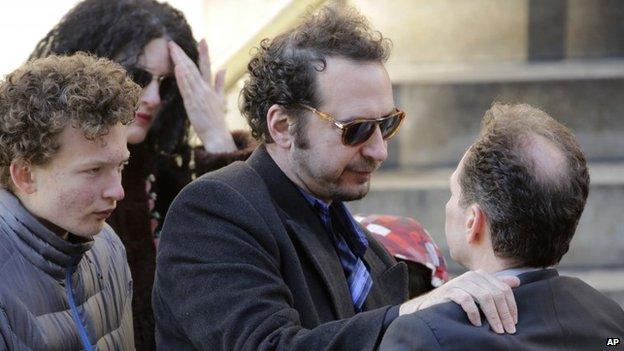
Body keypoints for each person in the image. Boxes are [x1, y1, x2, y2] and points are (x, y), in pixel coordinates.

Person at [153, 7, 521, 350]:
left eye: (386, 124)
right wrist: (414, 312)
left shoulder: (339, 221)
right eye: (356, 129)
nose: (379, 151)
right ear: (282, 126)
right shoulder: (214, 210)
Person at [30, 0, 256, 348]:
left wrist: (217, 138)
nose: (151, 97)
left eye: (166, 85)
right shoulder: (38, 170)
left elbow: (248, 265)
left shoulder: (167, 178)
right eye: (137, 78)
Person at [379, 103, 624, 350]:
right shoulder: (610, 318)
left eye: (453, 193)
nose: (448, 205)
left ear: (473, 222)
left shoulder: (422, 335)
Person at [0, 54, 140, 350]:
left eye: (120, 167)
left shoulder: (108, 246)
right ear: (25, 174)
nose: (118, 191)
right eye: (93, 170)